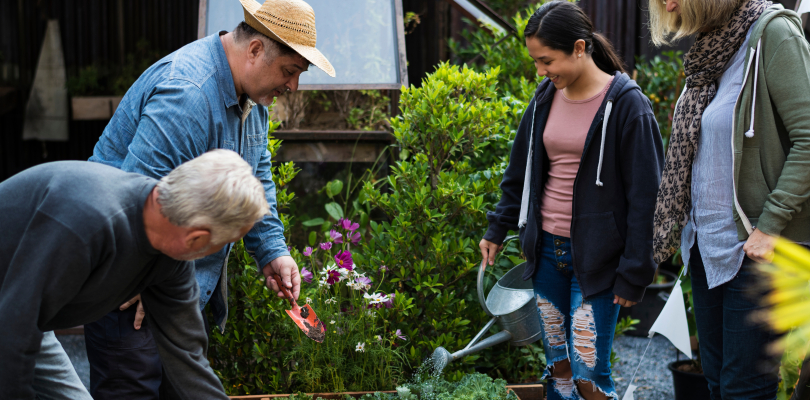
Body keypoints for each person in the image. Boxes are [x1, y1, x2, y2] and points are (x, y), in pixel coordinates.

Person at [84, 0, 335, 397]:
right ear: (255, 50)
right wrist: (142, 277)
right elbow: (134, 195)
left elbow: (256, 177)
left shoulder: (252, 98)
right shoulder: (188, 95)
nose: (293, 87)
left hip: (174, 287)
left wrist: (272, 250)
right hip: (129, 292)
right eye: (290, 71)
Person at [480, 2, 664, 399]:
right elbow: (520, 170)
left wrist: (636, 271)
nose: (540, 71)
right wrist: (498, 226)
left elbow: (647, 198)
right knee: (559, 371)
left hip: (598, 259)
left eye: (547, 60)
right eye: (535, 62)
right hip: (547, 252)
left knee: (587, 376)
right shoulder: (545, 97)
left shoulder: (629, 106)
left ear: (580, 48)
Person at [0, 150, 268, 399]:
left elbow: (187, 358)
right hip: (12, 319)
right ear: (197, 238)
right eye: (224, 243)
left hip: (24, 318)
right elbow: (12, 334)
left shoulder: (171, 256)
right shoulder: (88, 223)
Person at [649, 0, 810, 398]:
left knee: (744, 388)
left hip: (760, 249)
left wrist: (770, 227)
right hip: (707, 246)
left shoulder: (773, 33)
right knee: (718, 381)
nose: (666, 4)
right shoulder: (710, 50)